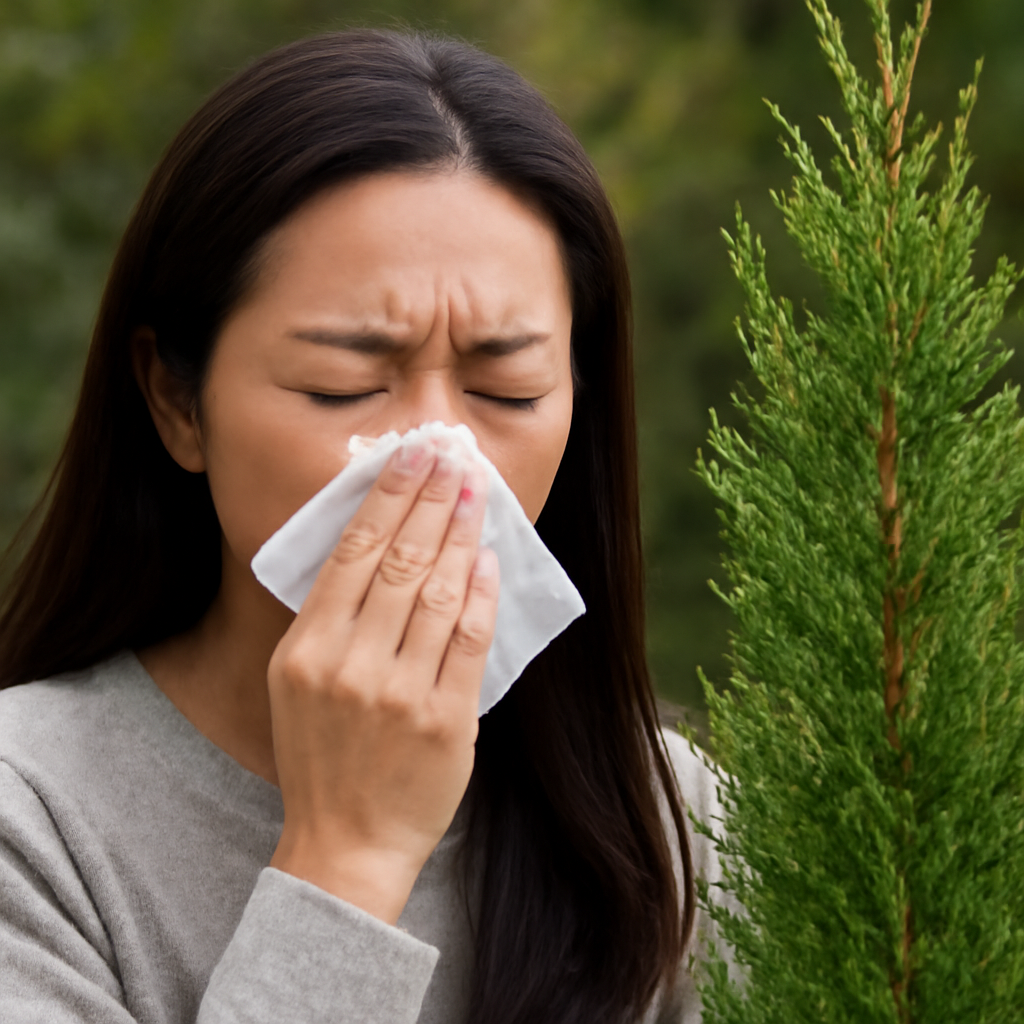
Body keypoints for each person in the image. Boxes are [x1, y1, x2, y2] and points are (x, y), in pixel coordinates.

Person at [0, 29, 726, 1024]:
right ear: (176, 400)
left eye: (505, 389)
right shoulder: (30, 816)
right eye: (342, 383)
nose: (436, 455)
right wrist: (347, 859)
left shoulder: (671, 825)